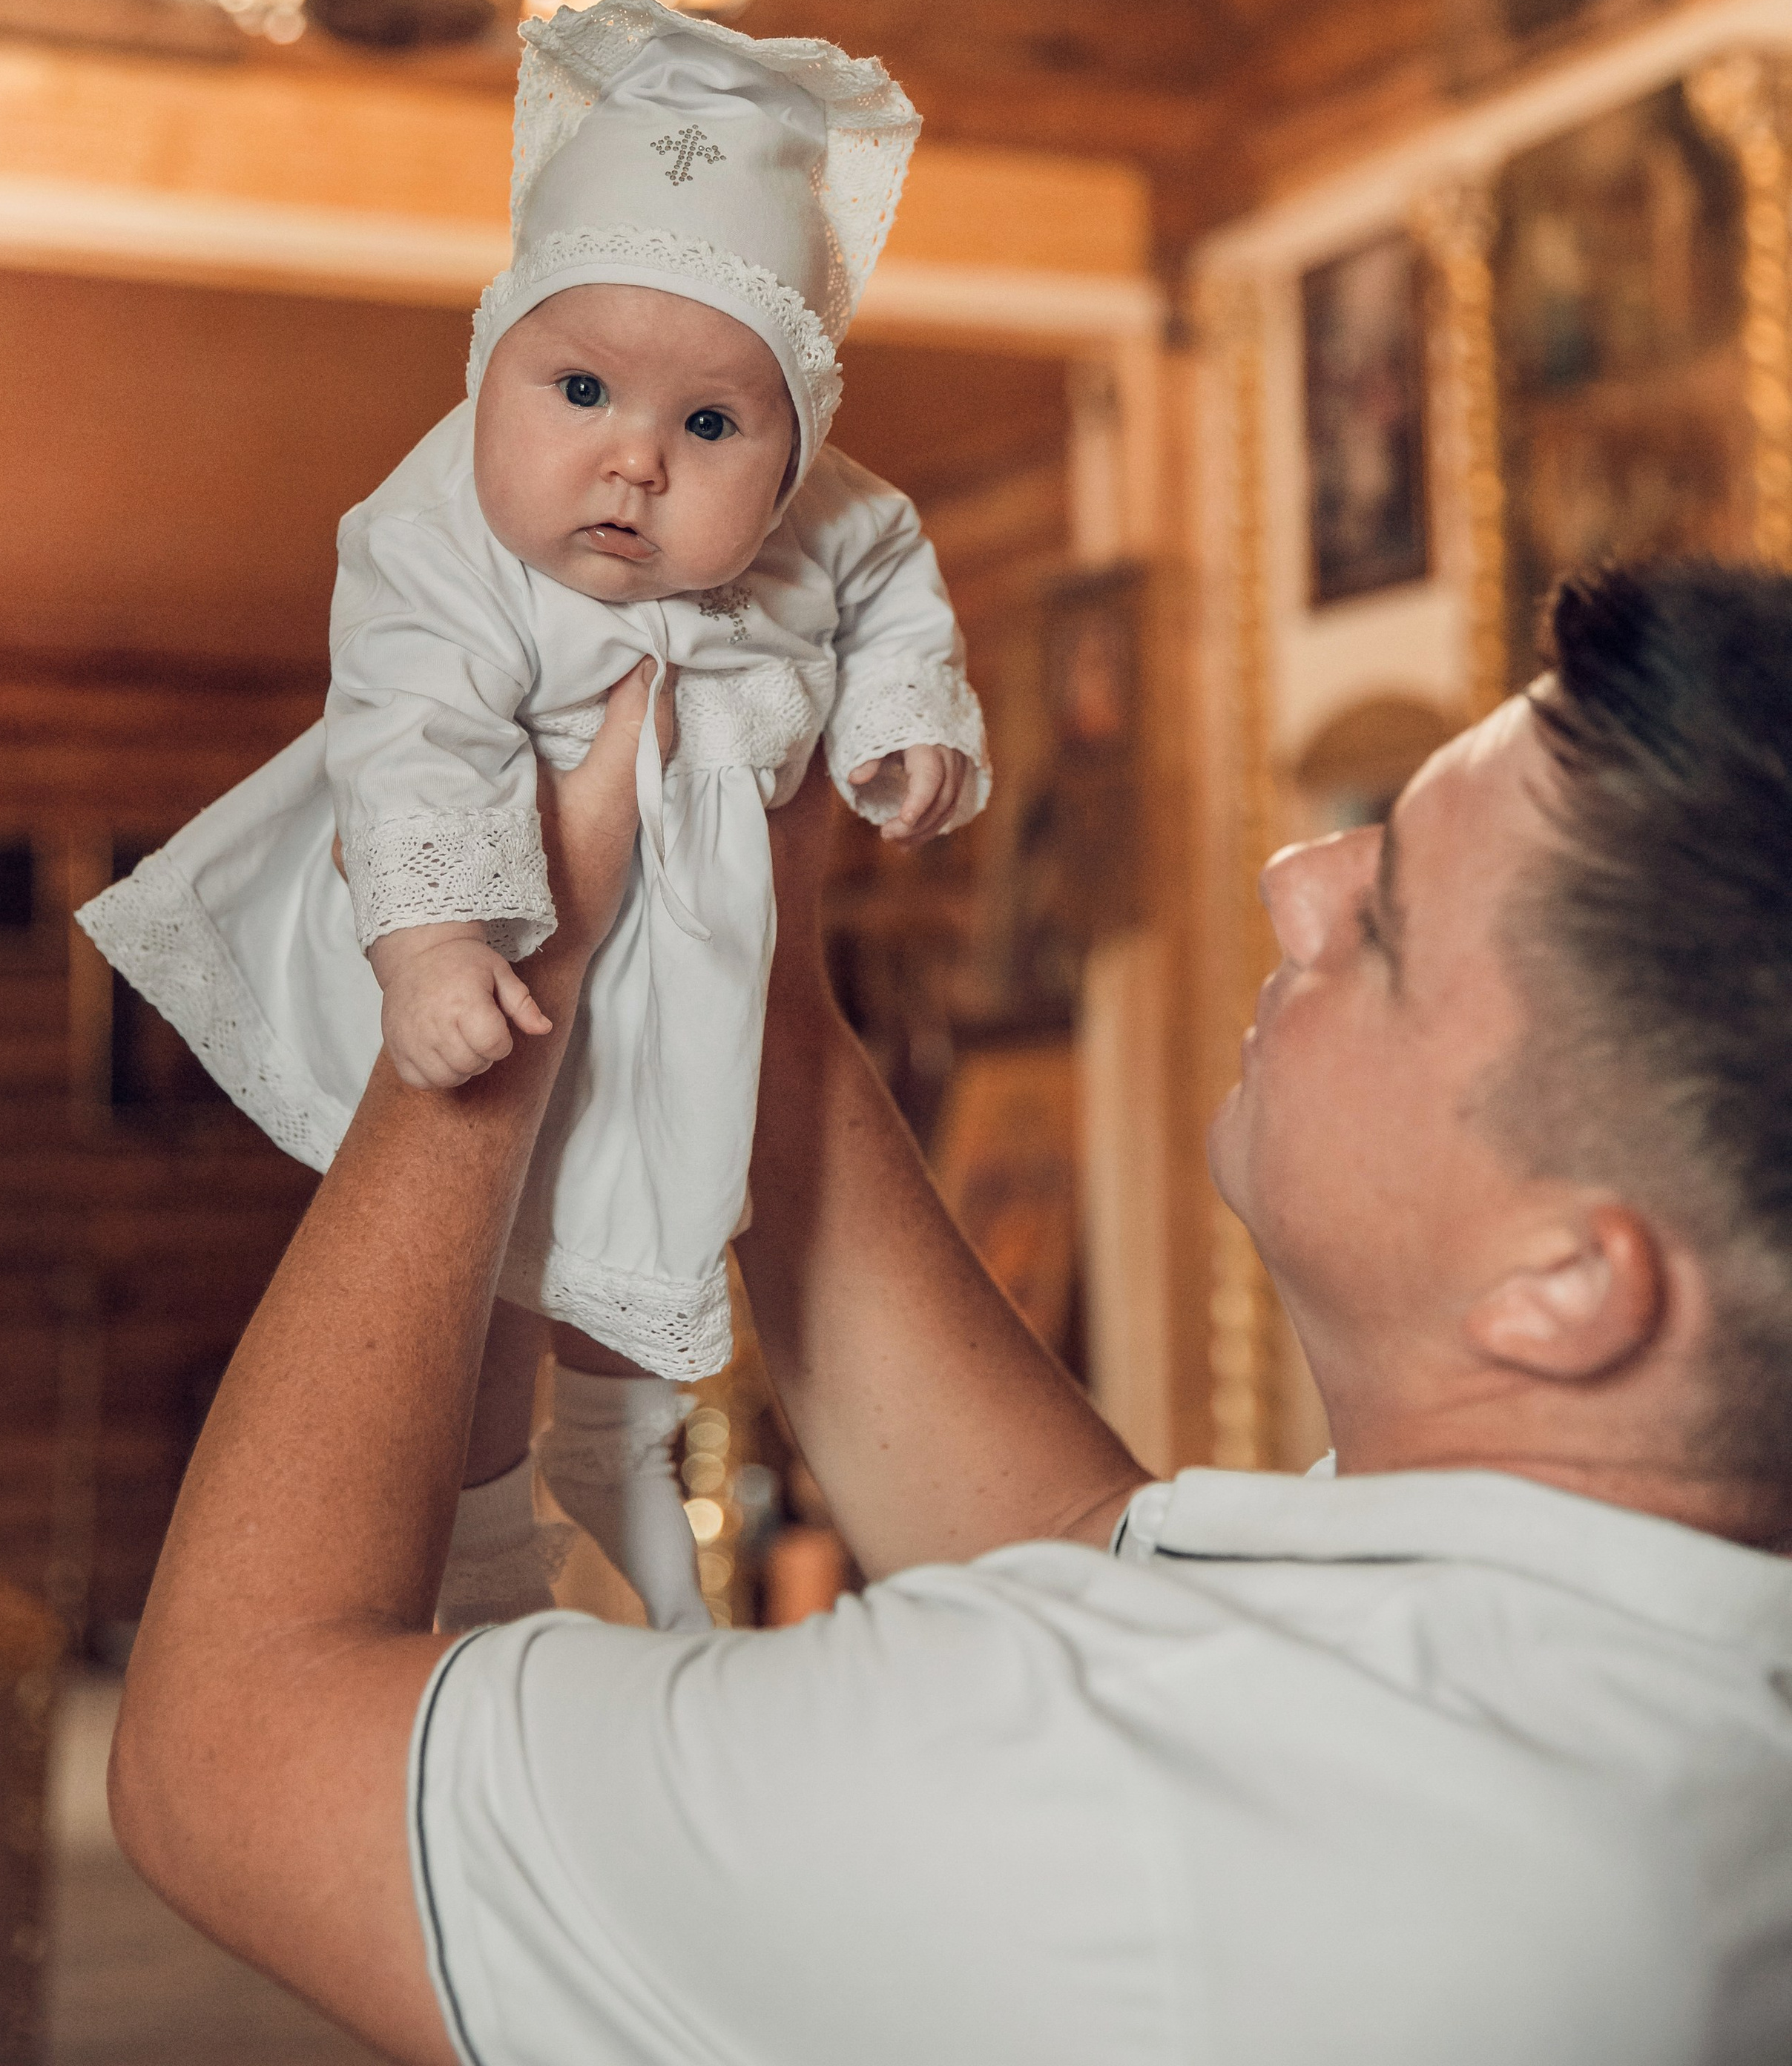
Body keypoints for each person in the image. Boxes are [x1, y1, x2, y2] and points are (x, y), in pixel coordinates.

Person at [108, 561, 1792, 2064]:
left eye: (1393, 919)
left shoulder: (1123, 1805)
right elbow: (1066, 1546)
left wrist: (485, 988)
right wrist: (754, 985)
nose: (1297, 876)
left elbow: (226, 1754)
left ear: (1569, 1283)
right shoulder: (1614, 1634)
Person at [77, 0, 986, 1634]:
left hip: (683, 969)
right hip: (497, 937)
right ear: (489, 362)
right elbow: (411, 740)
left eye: (709, 426)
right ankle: (490, 1537)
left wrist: (901, 719)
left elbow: (893, 581)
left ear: (791, 452)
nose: (630, 462)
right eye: (577, 390)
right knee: (486, 1254)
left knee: (659, 1227)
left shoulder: (827, 522)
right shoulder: (437, 537)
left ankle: (623, 1472)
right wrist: (434, 944)